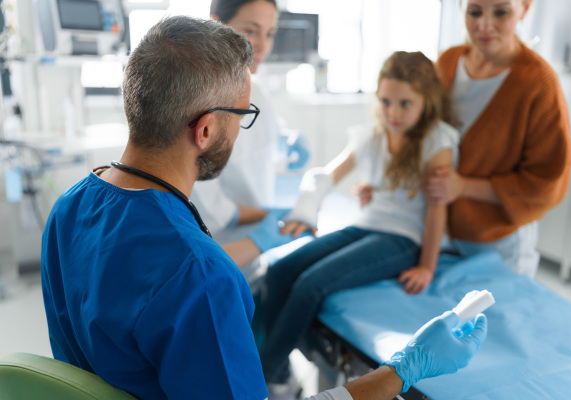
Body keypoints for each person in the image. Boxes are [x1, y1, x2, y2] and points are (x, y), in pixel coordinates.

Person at [40, 16, 487, 400]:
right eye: (242, 115)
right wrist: (397, 374)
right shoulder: (204, 279)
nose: (242, 129)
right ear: (206, 130)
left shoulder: (67, 208)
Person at [260, 51, 460, 391]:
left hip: (404, 239)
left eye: (404, 104)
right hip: (367, 223)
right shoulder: (373, 135)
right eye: (385, 101)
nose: (393, 113)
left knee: (311, 285)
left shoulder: (437, 140)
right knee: (278, 272)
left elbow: (437, 207)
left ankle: (257, 381)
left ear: (427, 101)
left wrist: (427, 265)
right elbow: (328, 175)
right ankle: (269, 369)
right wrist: (305, 210)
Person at [425, 0, 571, 277]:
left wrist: (462, 187)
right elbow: (419, 135)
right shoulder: (447, 62)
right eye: (474, 12)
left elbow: (546, 184)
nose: (484, 25)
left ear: (524, 9)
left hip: (497, 244)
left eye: (501, 12)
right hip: (438, 232)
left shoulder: (538, 83)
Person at [190, 0, 311, 270]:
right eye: (251, 31)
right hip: (218, 253)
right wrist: (267, 220)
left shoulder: (256, 91)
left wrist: (287, 140)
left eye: (269, 33)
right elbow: (208, 205)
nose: (263, 46)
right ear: (217, 24)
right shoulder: (198, 100)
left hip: (254, 251)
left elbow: (264, 139)